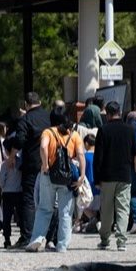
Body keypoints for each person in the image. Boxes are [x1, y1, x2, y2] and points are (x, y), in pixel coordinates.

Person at [25, 105, 84, 253]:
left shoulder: (48, 132)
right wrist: (82, 175)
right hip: (67, 177)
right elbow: (81, 155)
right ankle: (62, 245)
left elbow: (44, 147)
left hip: (49, 175)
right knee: (65, 212)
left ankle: (37, 239)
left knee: (45, 209)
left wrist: (45, 164)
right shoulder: (74, 135)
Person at [93, 101, 136, 252]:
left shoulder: (103, 130)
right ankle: (121, 241)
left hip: (107, 175)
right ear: (120, 112)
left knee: (106, 210)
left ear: (107, 113)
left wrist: (97, 178)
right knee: (123, 208)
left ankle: (105, 240)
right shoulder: (130, 130)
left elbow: (98, 157)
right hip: (124, 174)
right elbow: (135, 153)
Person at [9, 92, 51, 247]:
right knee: (50, 199)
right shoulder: (48, 117)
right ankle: (50, 237)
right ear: (39, 102)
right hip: (50, 162)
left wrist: (12, 157)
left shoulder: (25, 120)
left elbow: (19, 140)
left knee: (28, 199)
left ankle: (28, 236)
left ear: (26, 104)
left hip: (32, 163)